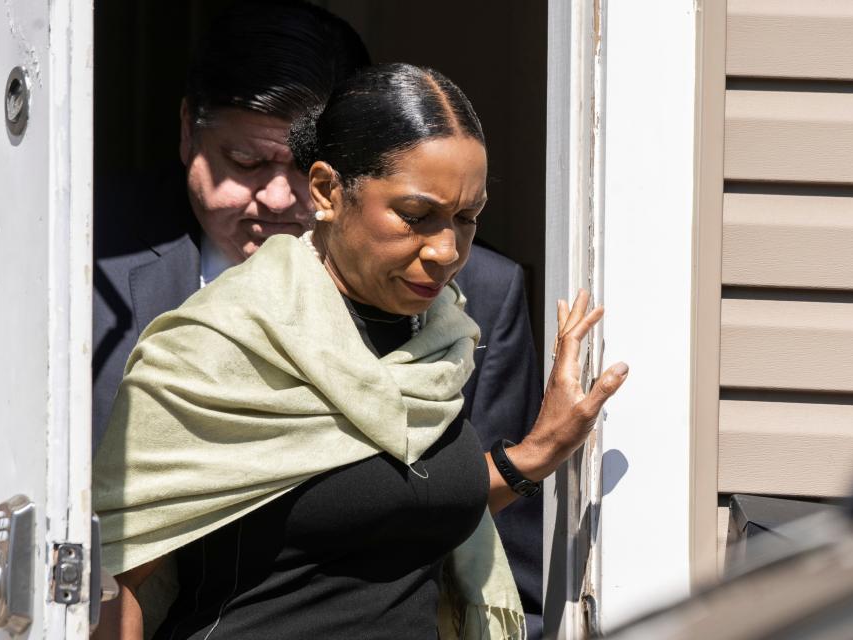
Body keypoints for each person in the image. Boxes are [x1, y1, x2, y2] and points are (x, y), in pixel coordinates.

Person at [93, 62, 628, 640]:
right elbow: (122, 581)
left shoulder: (441, 341)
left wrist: (540, 449)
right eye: (417, 216)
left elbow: (401, 501)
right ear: (326, 191)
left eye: (467, 218)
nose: (447, 249)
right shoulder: (214, 348)